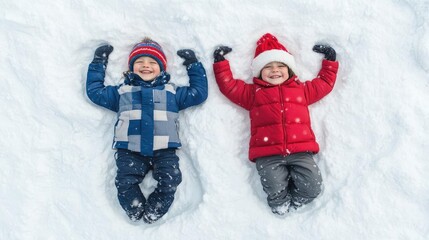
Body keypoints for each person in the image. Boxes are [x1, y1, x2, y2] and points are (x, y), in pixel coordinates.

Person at [212, 33, 339, 215]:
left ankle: (297, 204)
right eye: (268, 67)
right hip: (267, 154)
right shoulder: (253, 94)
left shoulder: (301, 90)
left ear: (290, 70)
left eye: (281, 66)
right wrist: (220, 64)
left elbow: (324, 83)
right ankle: (280, 207)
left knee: (313, 186)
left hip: (300, 152)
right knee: (274, 187)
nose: (275, 70)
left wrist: (330, 62)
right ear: (259, 72)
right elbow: (230, 87)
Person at [86, 37, 208, 223]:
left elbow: (198, 93)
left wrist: (193, 65)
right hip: (130, 150)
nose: (146, 66)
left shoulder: (172, 92)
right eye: (139, 62)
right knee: (125, 182)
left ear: (162, 68)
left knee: (171, 179)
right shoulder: (122, 91)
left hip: (164, 150)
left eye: (152, 62)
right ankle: (134, 208)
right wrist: (98, 63)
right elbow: (95, 92)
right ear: (131, 67)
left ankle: (155, 208)